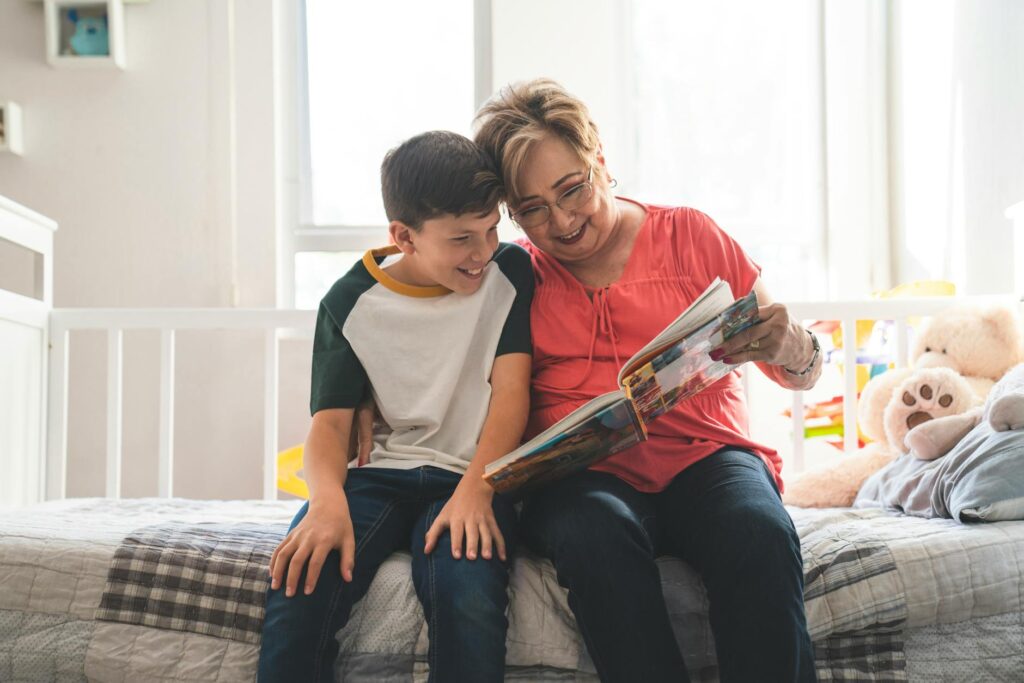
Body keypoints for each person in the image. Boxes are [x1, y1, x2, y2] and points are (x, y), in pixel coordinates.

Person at [472, 79, 821, 682]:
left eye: (571, 189)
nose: (560, 221)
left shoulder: (690, 234)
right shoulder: (516, 274)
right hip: (582, 474)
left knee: (758, 532)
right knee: (594, 538)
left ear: (599, 162)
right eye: (532, 209)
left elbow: (799, 368)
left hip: (705, 456)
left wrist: (792, 344)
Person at [257, 131, 534, 683]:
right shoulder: (348, 301)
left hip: (469, 476)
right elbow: (330, 428)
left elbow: (511, 394)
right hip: (379, 477)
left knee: (468, 595)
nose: (481, 252)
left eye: (490, 230)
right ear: (404, 236)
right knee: (299, 588)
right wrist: (326, 501)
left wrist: (478, 490)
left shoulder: (510, 274)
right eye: (460, 239)